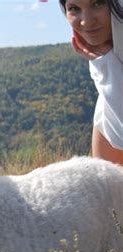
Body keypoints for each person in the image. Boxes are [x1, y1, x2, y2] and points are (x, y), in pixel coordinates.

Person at [59, 0, 123, 165]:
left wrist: (109, 66)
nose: (86, 21)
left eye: (98, 3)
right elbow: (110, 175)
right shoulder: (108, 66)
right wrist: (107, 63)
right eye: (74, 8)